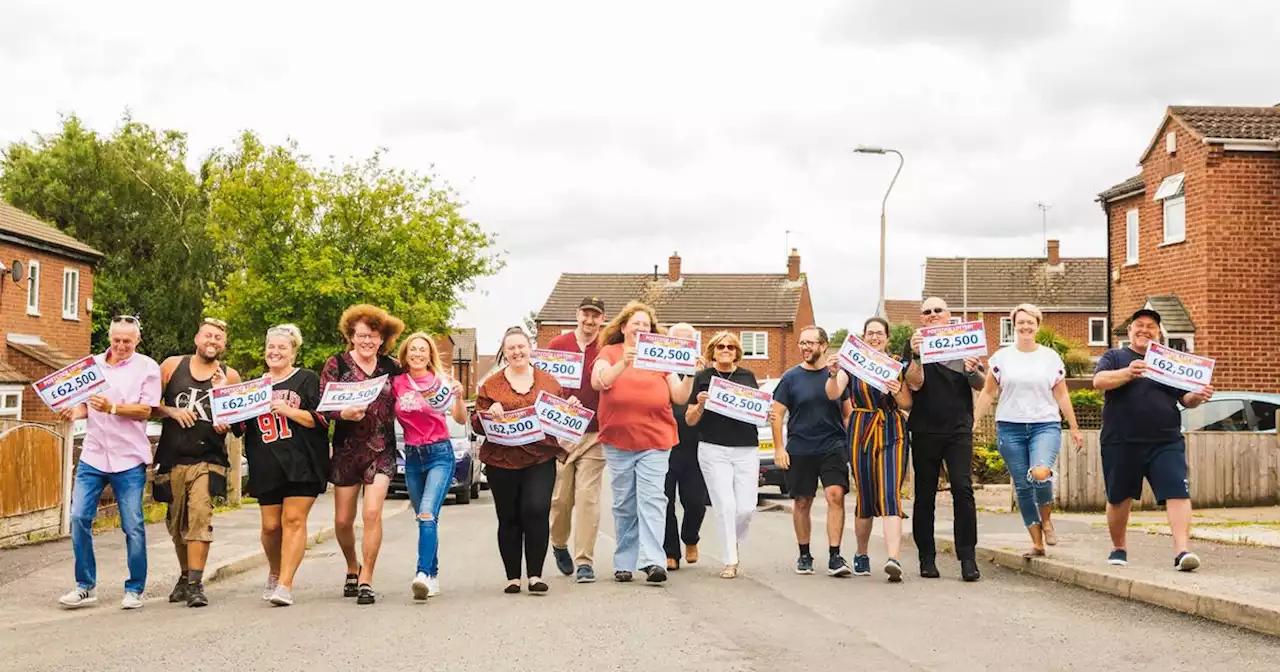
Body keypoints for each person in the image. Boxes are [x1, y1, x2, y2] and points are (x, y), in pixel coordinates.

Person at [1093, 308, 1214, 571]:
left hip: (1165, 440)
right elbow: (1099, 381)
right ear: (1130, 331)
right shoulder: (1115, 356)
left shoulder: (1169, 362)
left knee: (1177, 491)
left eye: (1151, 326)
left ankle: (1182, 552)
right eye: (1139, 325)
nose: (1144, 329)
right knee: (1118, 497)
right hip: (1121, 440)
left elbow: (1186, 399)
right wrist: (1128, 372)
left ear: (1158, 334)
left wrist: (1199, 395)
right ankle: (1119, 548)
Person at [58, 315, 162, 610]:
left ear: (137, 340)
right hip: (93, 454)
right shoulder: (92, 365)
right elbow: (83, 403)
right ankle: (85, 586)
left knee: (132, 525)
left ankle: (134, 588)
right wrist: (75, 413)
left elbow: (146, 409)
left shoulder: (147, 367)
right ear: (110, 338)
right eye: (116, 340)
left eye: (127, 341)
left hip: (128, 457)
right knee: (78, 517)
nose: (120, 346)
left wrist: (113, 407)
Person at [591, 301, 695, 584]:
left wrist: (689, 376)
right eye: (635, 323)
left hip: (656, 440)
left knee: (652, 500)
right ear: (623, 327)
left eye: (646, 325)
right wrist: (624, 362)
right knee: (625, 502)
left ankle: (652, 561)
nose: (640, 328)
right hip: (618, 440)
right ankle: (624, 562)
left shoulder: (660, 357)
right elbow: (598, 381)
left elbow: (680, 397)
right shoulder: (610, 352)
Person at [973, 304, 1084, 558]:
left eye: (1030, 322)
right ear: (1014, 325)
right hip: (1009, 426)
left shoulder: (1050, 357)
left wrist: (1075, 427)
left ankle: (1047, 521)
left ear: (1037, 324)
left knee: (1040, 473)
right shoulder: (1001, 358)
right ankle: (1037, 543)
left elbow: (1062, 393)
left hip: (1044, 424)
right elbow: (989, 391)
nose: (1025, 326)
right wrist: (975, 420)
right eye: (1020, 322)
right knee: (1023, 486)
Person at [474, 327, 579, 594]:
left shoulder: (549, 381)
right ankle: (512, 577)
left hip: (539, 457)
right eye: (511, 348)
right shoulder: (491, 384)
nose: (517, 352)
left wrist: (570, 410)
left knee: (536, 509)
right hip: (502, 459)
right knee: (508, 516)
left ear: (530, 347)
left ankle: (534, 575)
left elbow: (560, 419)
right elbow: (477, 423)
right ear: (504, 352)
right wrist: (489, 412)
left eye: (521, 346)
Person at [153, 318, 241, 608]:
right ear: (196, 338)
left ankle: (195, 584)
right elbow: (149, 407)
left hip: (209, 458)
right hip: (173, 456)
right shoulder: (171, 366)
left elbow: (238, 421)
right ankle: (184, 575)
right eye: (208, 336)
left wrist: (225, 424)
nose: (212, 341)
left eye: (218, 338)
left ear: (224, 345)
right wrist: (171, 411)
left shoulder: (230, 376)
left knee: (200, 516)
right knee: (177, 524)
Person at [321, 304, 405, 605]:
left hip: (381, 449)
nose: (368, 341)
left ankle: (367, 578)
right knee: (343, 521)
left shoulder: (392, 368)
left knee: (372, 513)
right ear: (351, 336)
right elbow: (323, 405)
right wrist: (342, 412)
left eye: (373, 336)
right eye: (362, 336)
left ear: (382, 339)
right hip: (346, 450)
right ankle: (351, 566)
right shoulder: (337, 365)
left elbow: (412, 394)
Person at [243, 324, 329, 607]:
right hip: (266, 463)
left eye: (282, 347)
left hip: (302, 461)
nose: (275, 352)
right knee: (270, 527)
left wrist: (290, 410)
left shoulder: (307, 379)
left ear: (293, 351)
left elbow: (322, 419)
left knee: (293, 520)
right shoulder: (255, 386)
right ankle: (274, 570)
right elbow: (238, 425)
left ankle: (285, 584)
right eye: (271, 347)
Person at [824, 320, 912, 580]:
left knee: (890, 493)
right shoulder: (852, 363)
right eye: (870, 333)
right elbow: (833, 393)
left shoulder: (897, 364)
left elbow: (907, 403)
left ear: (887, 337)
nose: (875, 338)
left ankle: (893, 558)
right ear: (863, 337)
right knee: (866, 493)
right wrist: (832, 373)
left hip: (891, 427)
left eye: (879, 333)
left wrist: (897, 392)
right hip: (861, 427)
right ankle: (861, 553)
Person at [905, 297, 983, 581]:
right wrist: (915, 356)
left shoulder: (964, 339)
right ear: (922, 317)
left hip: (958, 428)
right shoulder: (914, 342)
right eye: (927, 312)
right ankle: (927, 557)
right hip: (925, 428)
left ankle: (968, 558)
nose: (933, 315)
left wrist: (972, 369)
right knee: (924, 496)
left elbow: (981, 384)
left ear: (948, 314)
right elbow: (914, 384)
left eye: (938, 310)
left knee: (963, 490)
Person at [773, 326, 853, 578]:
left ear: (823, 345)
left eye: (810, 343)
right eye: (802, 343)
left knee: (835, 496)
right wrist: (778, 448)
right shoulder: (790, 378)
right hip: (800, 447)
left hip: (833, 445)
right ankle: (804, 554)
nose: (805, 347)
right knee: (802, 501)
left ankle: (835, 556)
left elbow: (848, 413)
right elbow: (776, 414)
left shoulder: (838, 375)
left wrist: (849, 445)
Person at [393, 332, 467, 600]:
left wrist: (458, 397)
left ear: (430, 354)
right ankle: (432, 576)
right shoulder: (398, 383)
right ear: (406, 354)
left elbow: (459, 418)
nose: (417, 354)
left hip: (439, 454)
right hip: (412, 455)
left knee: (426, 513)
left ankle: (422, 573)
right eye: (413, 349)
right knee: (425, 518)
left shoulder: (441, 382)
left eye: (423, 349)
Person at [687, 332, 764, 579]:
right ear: (712, 350)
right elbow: (689, 419)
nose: (726, 350)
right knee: (725, 505)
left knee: (746, 508)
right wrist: (700, 404)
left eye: (731, 346)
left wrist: (767, 414)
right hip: (713, 448)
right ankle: (730, 559)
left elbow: (757, 410)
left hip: (746, 448)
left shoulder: (747, 376)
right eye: (721, 346)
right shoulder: (702, 378)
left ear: (737, 351)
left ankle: (734, 536)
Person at [547, 297, 607, 584]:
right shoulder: (558, 346)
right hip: (562, 432)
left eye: (595, 316)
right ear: (577, 314)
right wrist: (559, 400)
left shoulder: (606, 347)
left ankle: (585, 560)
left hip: (595, 432)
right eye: (586, 314)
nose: (590, 320)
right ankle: (559, 543)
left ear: (603, 319)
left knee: (587, 498)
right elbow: (543, 385)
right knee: (561, 498)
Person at [664, 322, 709, 571]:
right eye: (678, 341)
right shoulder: (659, 372)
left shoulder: (703, 374)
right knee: (665, 501)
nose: (683, 346)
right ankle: (670, 551)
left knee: (695, 502)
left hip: (694, 447)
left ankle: (690, 538)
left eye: (688, 342)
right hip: (665, 445)